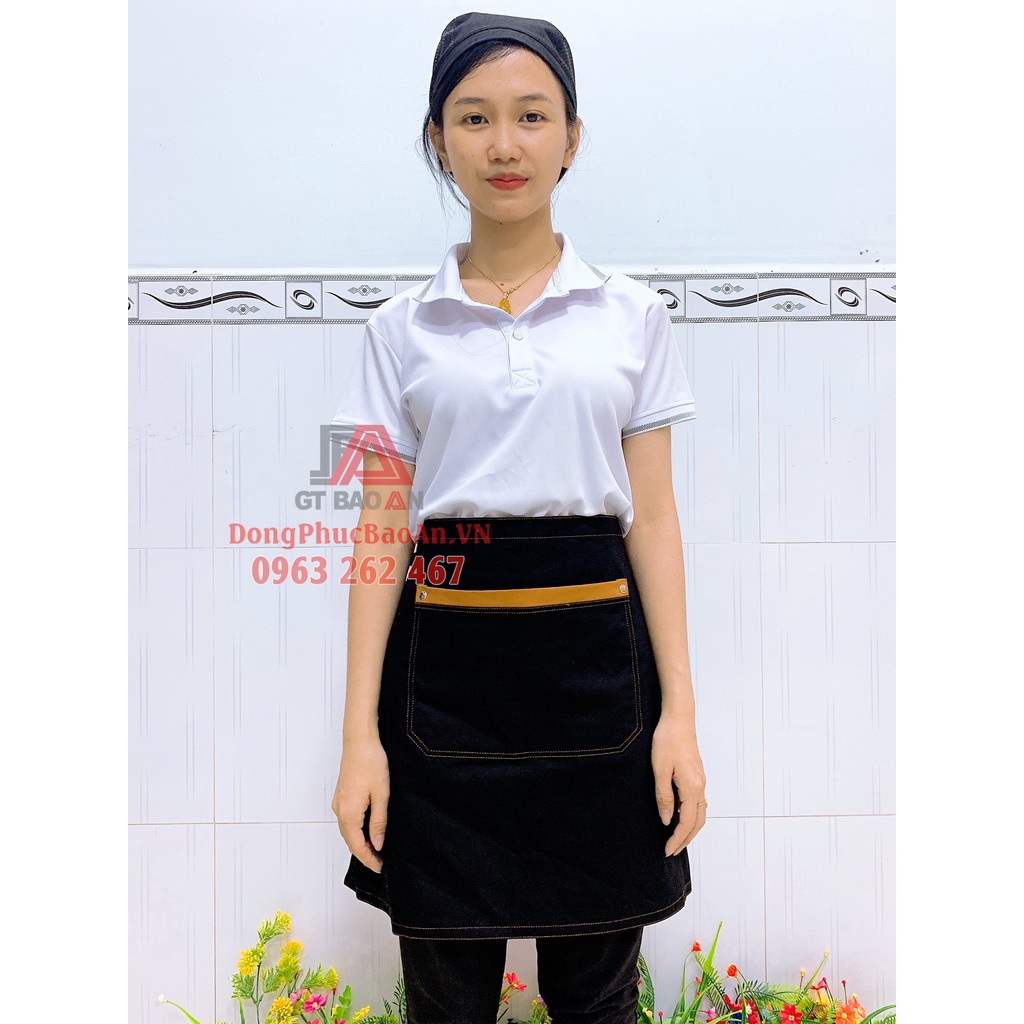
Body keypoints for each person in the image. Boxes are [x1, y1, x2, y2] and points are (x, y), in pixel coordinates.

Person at [330, 12, 707, 1024]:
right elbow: (380, 530)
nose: (505, 144)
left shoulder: (632, 315)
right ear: (438, 138)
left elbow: (654, 521)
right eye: (474, 117)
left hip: (599, 685)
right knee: (445, 999)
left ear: (572, 137)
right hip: (441, 689)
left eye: (532, 116)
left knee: (597, 997)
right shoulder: (397, 330)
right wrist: (359, 737)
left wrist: (679, 717)